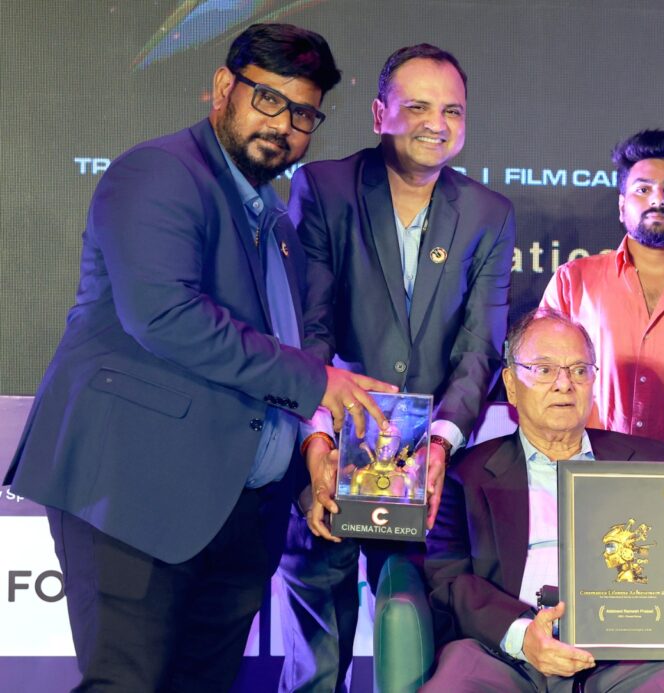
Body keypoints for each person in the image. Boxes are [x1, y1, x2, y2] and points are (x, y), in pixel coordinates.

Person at [2, 23, 396, 692]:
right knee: (127, 683)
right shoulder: (159, 173)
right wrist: (318, 380)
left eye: (303, 113)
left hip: (238, 517)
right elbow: (166, 317)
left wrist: (303, 472)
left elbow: (264, 365)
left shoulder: (276, 226)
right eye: (269, 100)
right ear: (223, 88)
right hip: (137, 491)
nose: (285, 126)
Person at [276, 43, 516, 692]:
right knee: (316, 655)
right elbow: (309, 327)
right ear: (380, 113)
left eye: (452, 111)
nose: (435, 123)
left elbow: (480, 348)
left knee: (413, 645)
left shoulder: (490, 214)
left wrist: (440, 440)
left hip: (426, 469)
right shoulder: (324, 188)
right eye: (415, 106)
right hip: (328, 447)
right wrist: (317, 437)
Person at [423, 310, 664, 692]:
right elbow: (448, 579)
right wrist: (523, 635)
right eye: (543, 369)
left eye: (579, 370)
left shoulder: (651, 462)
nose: (564, 384)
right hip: (504, 655)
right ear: (511, 384)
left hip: (628, 657)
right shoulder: (464, 474)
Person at [541, 130, 664, 494]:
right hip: (579, 489)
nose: (658, 200)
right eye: (643, 189)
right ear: (621, 205)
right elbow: (539, 386)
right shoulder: (574, 283)